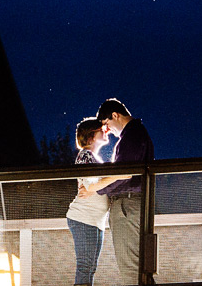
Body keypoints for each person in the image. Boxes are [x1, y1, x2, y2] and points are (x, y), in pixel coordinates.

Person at [78, 98, 154, 285]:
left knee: (131, 268)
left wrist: (94, 188)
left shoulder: (132, 135)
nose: (107, 130)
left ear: (115, 115)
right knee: (140, 268)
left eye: (106, 124)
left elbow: (124, 173)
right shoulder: (136, 133)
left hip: (128, 205)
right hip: (134, 204)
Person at [65, 118, 110, 286]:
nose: (105, 132)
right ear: (91, 136)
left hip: (94, 220)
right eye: (101, 130)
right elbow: (92, 186)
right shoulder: (85, 155)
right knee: (85, 266)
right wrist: (118, 175)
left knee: (90, 267)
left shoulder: (92, 157)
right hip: (84, 218)